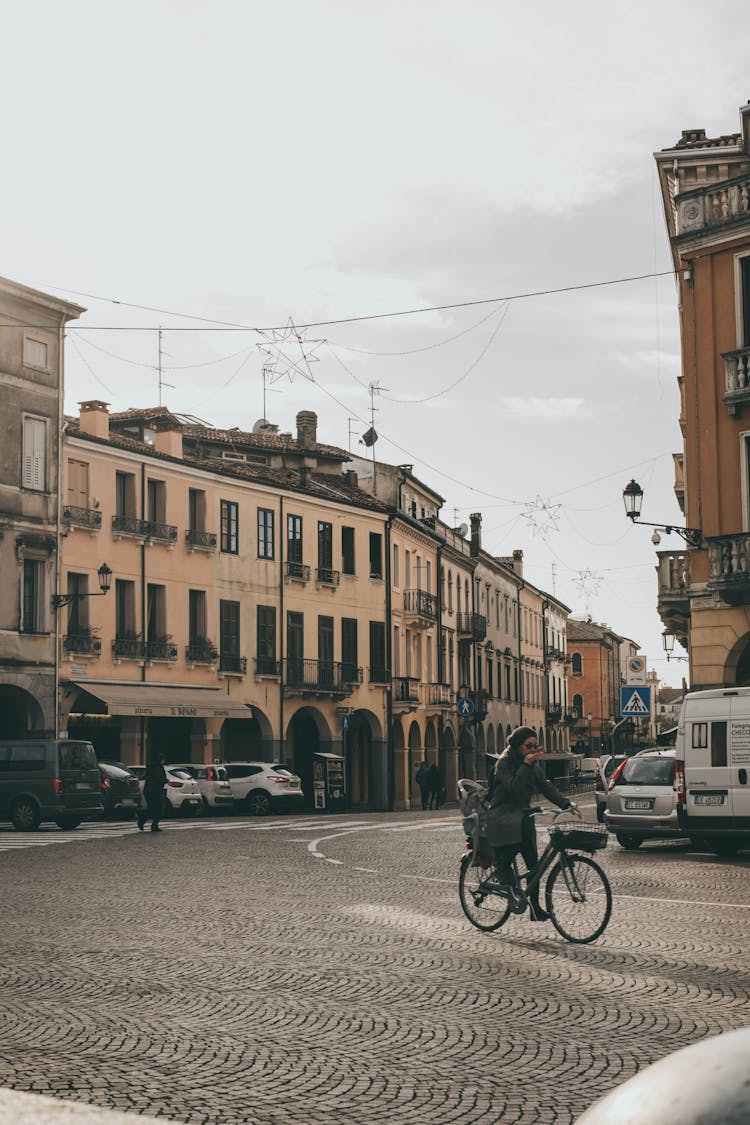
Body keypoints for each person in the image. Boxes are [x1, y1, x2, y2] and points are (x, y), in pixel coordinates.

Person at [486, 726, 573, 921]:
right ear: (517, 746)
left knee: (535, 867)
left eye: (535, 746)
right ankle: (505, 878)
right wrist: (526, 765)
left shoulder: (531, 764)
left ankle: (535, 907)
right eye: (528, 746)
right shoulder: (503, 764)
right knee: (505, 862)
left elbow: (545, 785)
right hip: (503, 819)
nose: (533, 750)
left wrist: (566, 803)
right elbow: (514, 788)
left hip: (523, 819)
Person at [137, 755, 167, 832]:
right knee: (158, 809)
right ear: (161, 760)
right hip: (156, 791)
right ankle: (153, 825)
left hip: (148, 791)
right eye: (163, 759)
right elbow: (159, 778)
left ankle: (143, 822)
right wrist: (166, 780)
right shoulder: (158, 767)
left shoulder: (150, 767)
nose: (164, 761)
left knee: (151, 808)